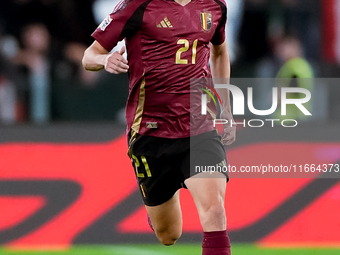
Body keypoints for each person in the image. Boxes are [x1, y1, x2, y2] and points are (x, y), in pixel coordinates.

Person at [82, 0, 236, 254]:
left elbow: (219, 52)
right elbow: (89, 55)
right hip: (150, 132)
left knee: (215, 211)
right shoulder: (137, 6)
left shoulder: (215, 6)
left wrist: (226, 107)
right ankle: (157, 214)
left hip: (199, 127)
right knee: (169, 234)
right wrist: (105, 60)